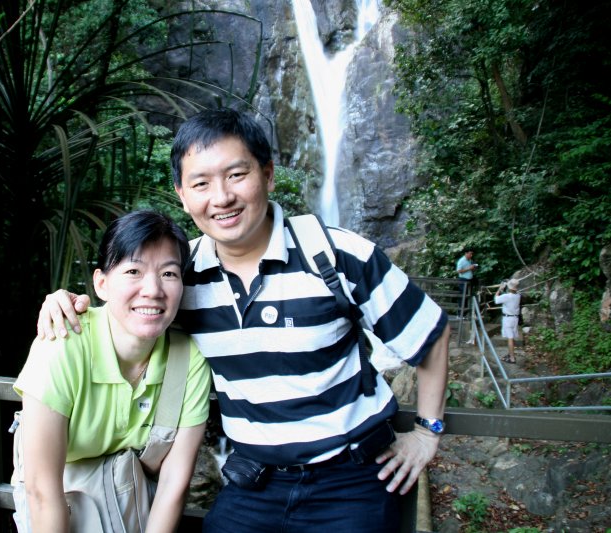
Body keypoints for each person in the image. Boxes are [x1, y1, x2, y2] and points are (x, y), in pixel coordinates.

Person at [35, 108, 450, 532]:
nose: (222, 197)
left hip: (352, 481)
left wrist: (427, 431)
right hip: (254, 483)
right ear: (182, 194)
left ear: (267, 174)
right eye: (201, 183)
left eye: (236, 175)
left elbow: (429, 333)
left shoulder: (336, 255)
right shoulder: (182, 273)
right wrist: (65, 302)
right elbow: (133, 309)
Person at [13, 211, 211, 533]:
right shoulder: (63, 344)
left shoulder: (189, 360)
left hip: (133, 507)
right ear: (101, 284)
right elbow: (41, 489)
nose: (153, 290)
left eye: (169, 274)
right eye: (133, 270)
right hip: (58, 509)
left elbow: (174, 485)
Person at [494, 278, 521, 364]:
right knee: (511, 337)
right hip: (515, 319)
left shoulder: (507, 296)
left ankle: (512, 358)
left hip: (508, 319)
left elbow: (496, 299)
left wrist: (500, 289)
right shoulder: (518, 295)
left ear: (509, 287)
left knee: (510, 338)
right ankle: (510, 354)